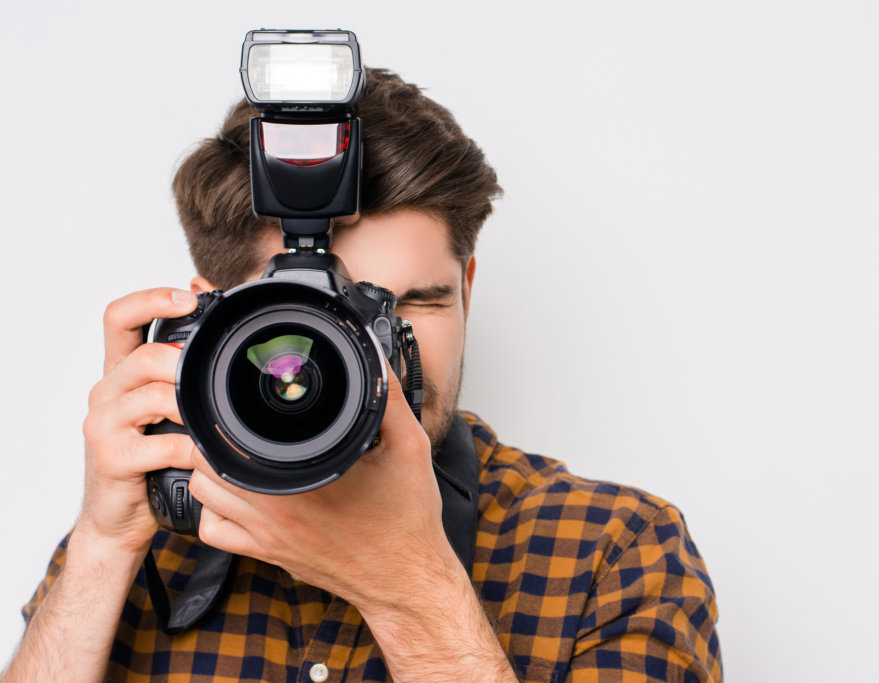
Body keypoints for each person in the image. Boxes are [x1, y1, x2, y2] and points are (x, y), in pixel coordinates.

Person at [3, 68, 722, 682]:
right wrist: (102, 547)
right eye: (321, 319)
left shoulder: (612, 551)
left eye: (415, 302)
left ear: (466, 287)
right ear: (211, 324)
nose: (378, 356)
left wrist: (411, 590)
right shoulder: (144, 534)